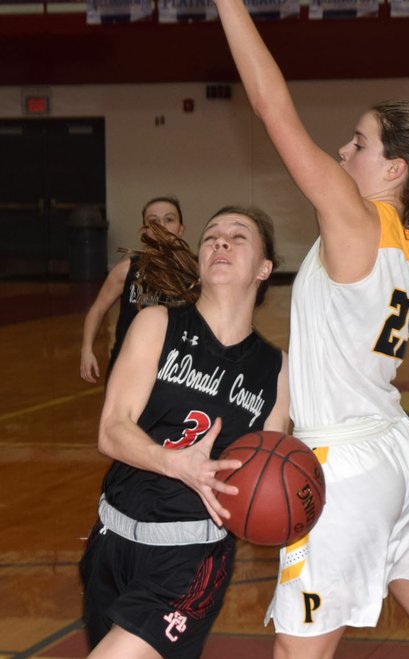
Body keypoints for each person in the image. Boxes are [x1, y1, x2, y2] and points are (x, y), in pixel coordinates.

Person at [213, 2, 409, 658]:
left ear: (395, 170)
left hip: (343, 465)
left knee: (296, 650)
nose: (343, 151)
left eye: (359, 143)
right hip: (396, 450)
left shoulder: (355, 217)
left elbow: (270, 105)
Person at [79, 206, 290, 657]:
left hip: (190, 561)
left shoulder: (275, 370)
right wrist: (175, 462)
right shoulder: (157, 323)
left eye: (238, 236)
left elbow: (270, 474)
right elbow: (112, 430)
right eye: (212, 235)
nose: (221, 241)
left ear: (265, 268)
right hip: (112, 542)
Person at [80, 195, 185, 383]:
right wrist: (86, 349)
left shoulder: (194, 275)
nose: (161, 225)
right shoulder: (127, 269)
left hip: (174, 370)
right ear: (145, 230)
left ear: (181, 229)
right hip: (128, 367)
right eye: (153, 221)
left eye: (169, 219)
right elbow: (98, 309)